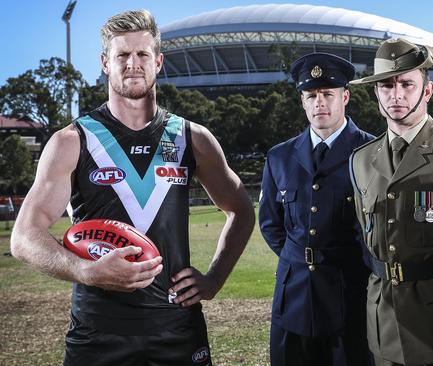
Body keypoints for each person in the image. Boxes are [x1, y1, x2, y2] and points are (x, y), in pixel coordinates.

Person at [10, 9, 255, 366]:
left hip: (176, 326)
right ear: (105, 63)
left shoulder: (193, 138)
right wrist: (84, 271)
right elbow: (24, 237)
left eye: (142, 54)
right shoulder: (72, 141)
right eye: (122, 55)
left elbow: (241, 209)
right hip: (98, 330)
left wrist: (214, 278)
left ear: (158, 61)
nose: (133, 63)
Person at [348, 38, 433, 366]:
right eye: (386, 85)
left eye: (407, 84)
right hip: (383, 321)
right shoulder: (360, 160)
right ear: (375, 92)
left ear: (427, 91)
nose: (396, 95)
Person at [258, 52, 375, 365]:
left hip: (350, 293)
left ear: (345, 97)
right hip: (294, 293)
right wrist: (301, 257)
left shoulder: (371, 153)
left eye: (328, 94)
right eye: (311, 95)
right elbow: (270, 224)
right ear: (302, 101)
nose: (320, 103)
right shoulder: (279, 157)